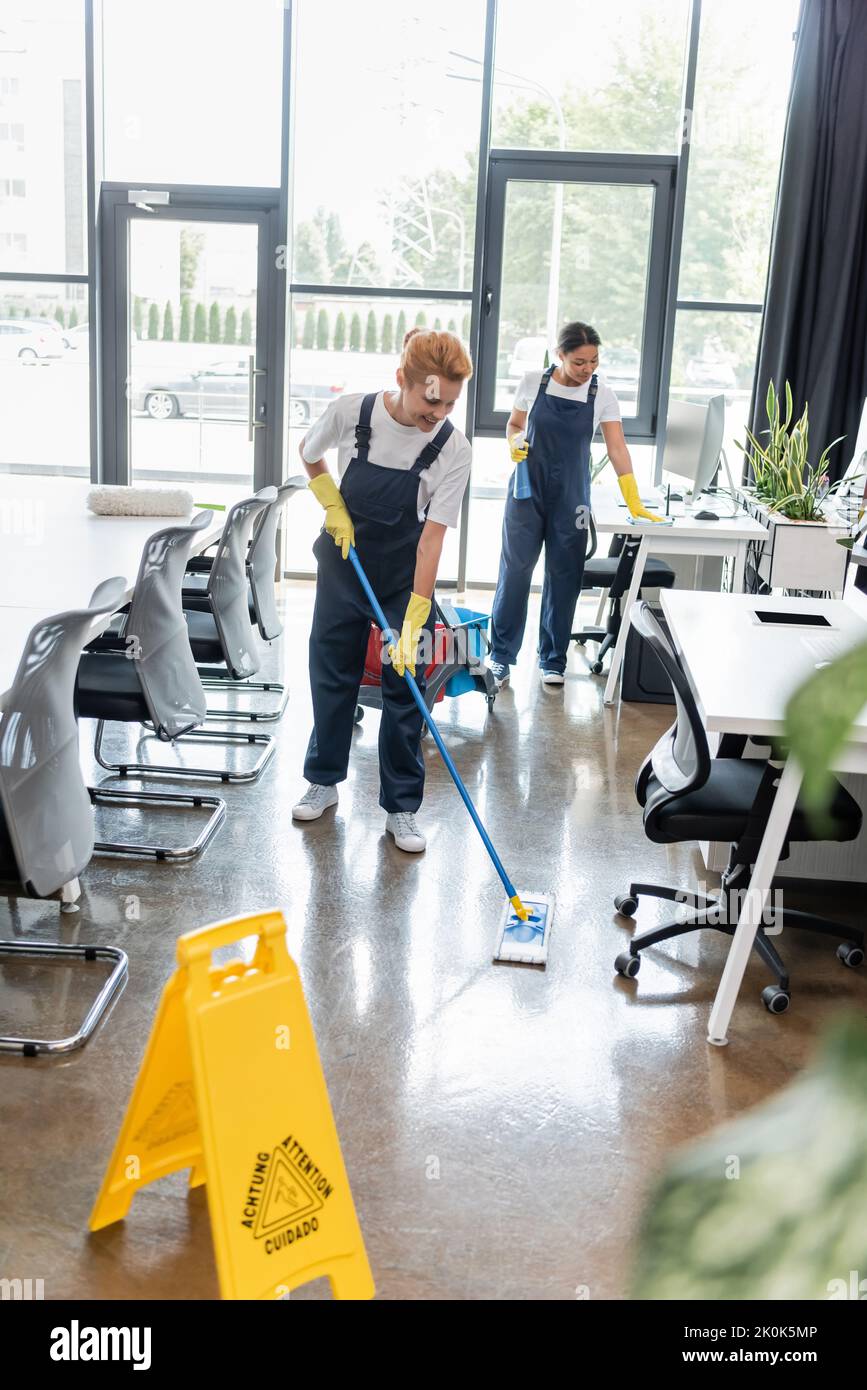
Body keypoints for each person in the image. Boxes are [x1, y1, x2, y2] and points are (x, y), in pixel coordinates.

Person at [293, 328, 473, 852]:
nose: (436, 414)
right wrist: (332, 504)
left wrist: (415, 616)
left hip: (403, 574)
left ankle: (402, 808)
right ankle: (323, 780)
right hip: (345, 561)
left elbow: (432, 539)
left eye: (449, 404)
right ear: (403, 380)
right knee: (332, 672)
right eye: (429, 401)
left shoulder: (452, 448)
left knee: (406, 686)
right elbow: (308, 452)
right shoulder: (354, 413)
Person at [487, 320, 661, 689]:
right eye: (579, 362)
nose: (588, 369)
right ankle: (500, 657)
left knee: (564, 577)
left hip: (571, 498)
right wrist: (513, 442)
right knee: (515, 574)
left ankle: (553, 659)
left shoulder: (602, 395)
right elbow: (514, 424)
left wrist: (634, 499)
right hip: (525, 492)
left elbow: (617, 448)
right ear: (560, 355)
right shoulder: (534, 382)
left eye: (594, 361)